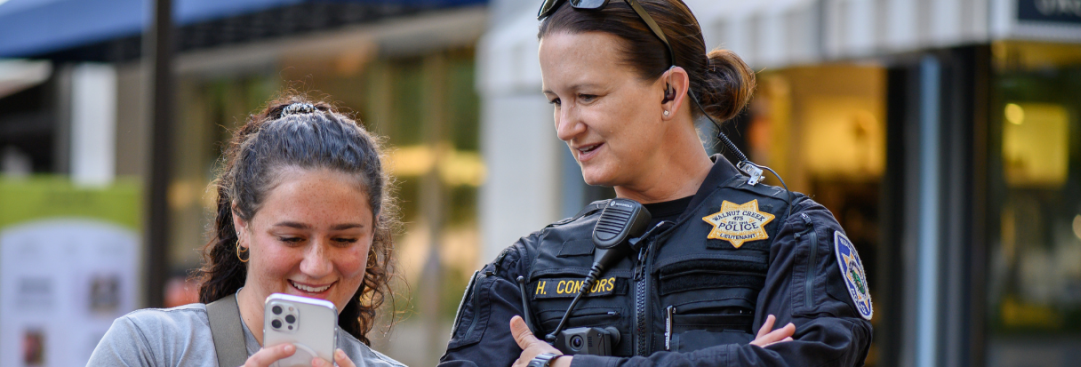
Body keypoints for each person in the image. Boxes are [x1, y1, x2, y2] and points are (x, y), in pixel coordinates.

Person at [438, 0, 874, 366]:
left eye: (587, 96)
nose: (565, 127)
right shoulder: (525, 268)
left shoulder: (793, 236)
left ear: (669, 91)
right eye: (556, 101)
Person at [87, 97, 406, 367]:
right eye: (292, 238)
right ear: (242, 222)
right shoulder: (149, 347)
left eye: (344, 239)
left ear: (373, 230)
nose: (317, 265)